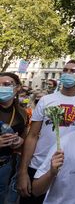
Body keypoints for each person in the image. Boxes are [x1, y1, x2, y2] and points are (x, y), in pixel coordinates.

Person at [18, 60, 75, 204]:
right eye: (65, 70)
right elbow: (32, 136)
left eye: (73, 71)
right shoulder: (45, 100)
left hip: (68, 170)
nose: (68, 73)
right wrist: (23, 172)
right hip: (38, 167)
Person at [0, 73, 26, 203]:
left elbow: (24, 138)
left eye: (6, 84)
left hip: (6, 167)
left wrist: (19, 141)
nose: (1, 88)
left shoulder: (22, 113)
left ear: (17, 88)